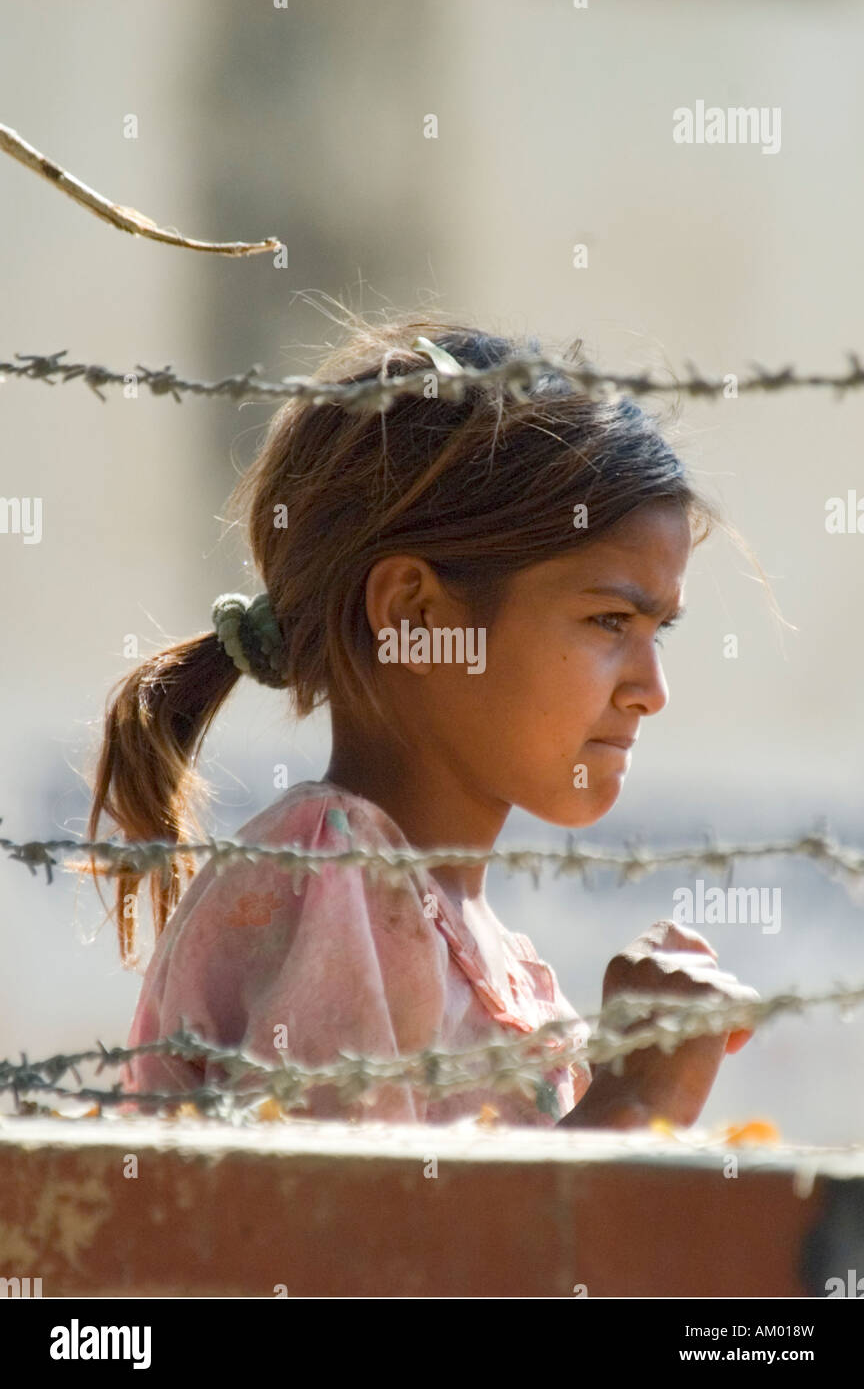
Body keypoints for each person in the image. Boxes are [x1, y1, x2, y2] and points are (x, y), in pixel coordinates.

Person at [83, 312, 765, 1127]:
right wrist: (635, 1095)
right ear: (414, 614)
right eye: (609, 622)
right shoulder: (327, 877)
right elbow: (359, 1243)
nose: (651, 690)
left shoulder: (473, 940)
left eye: (662, 632)